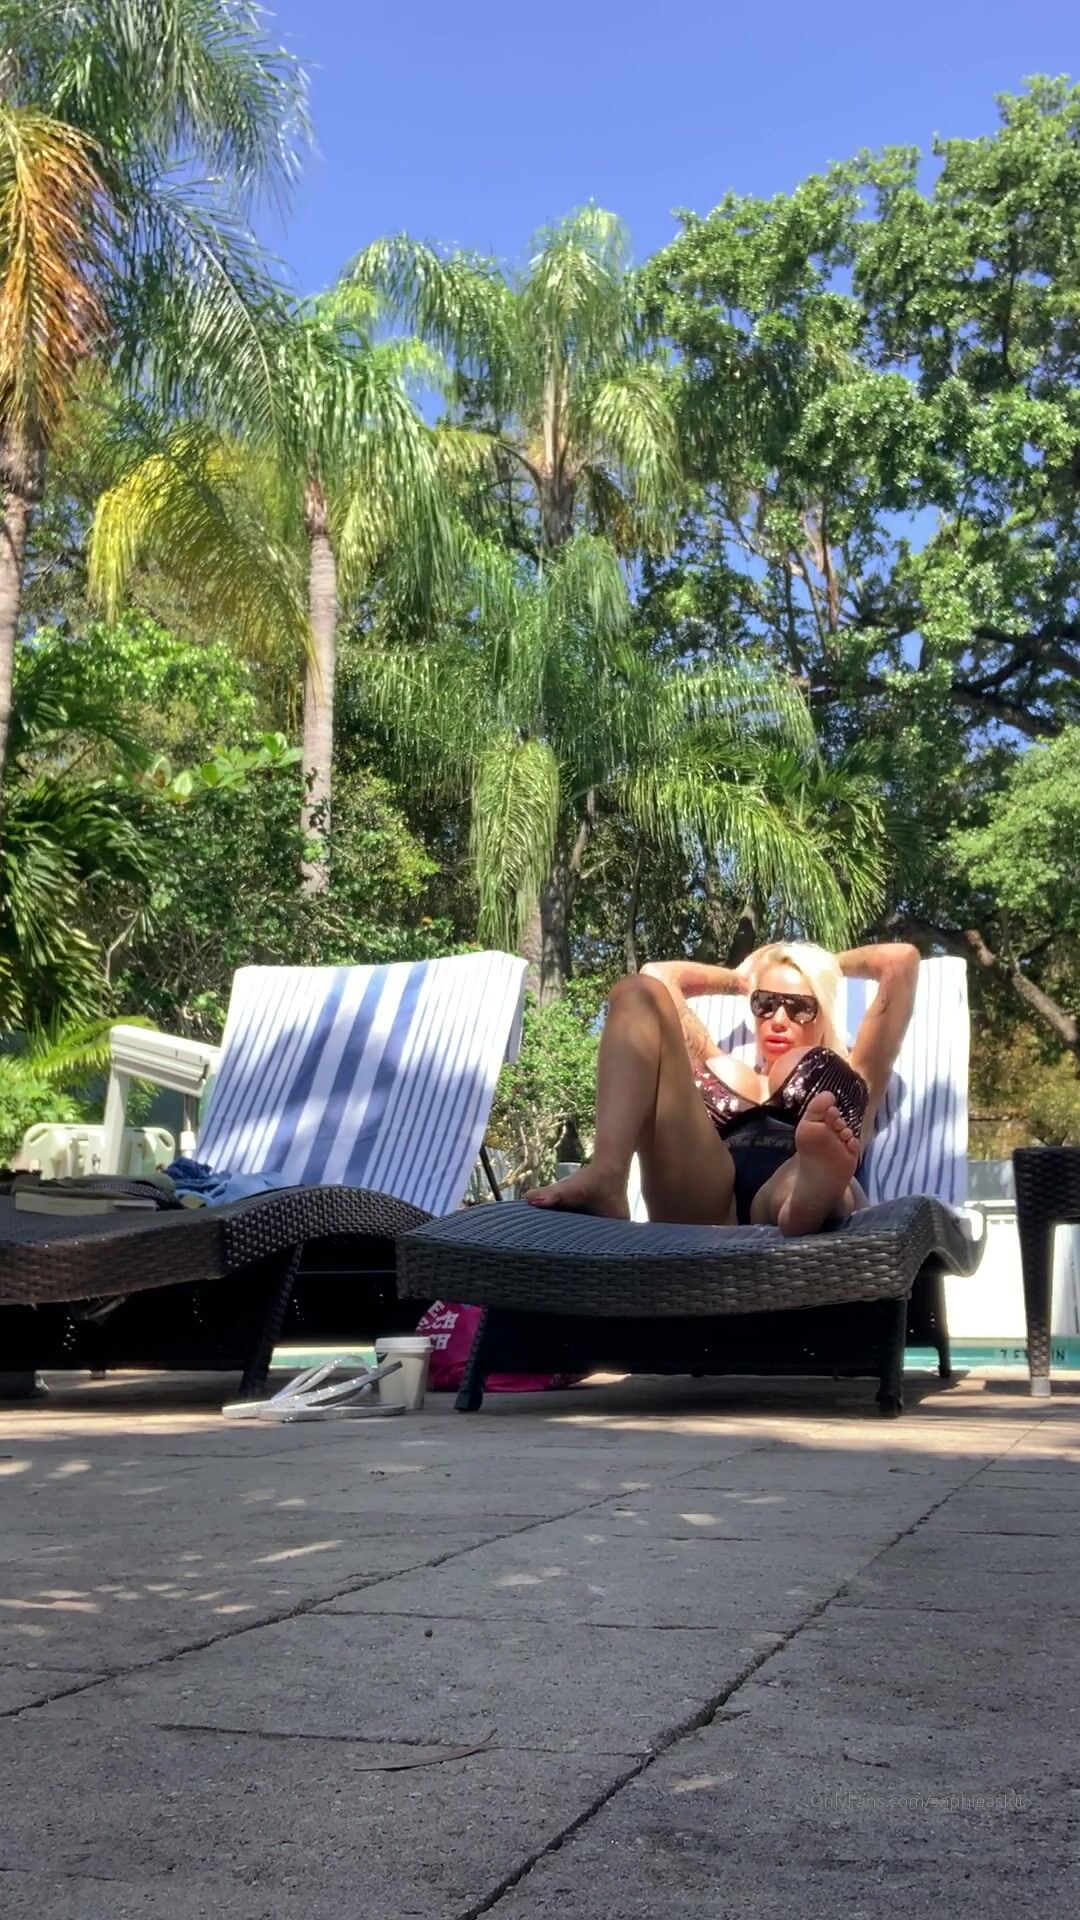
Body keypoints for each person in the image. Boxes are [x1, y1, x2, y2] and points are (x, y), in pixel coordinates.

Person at [526, 940, 921, 1236]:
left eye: (799, 1006)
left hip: (795, 1164)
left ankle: (808, 1197)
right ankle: (607, 1176)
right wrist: (744, 977)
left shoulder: (856, 1067)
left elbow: (900, 961)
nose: (778, 1018)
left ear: (823, 1012)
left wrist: (816, 963)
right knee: (636, 992)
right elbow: (658, 974)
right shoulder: (713, 1057)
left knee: (809, 1159)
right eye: (765, 1003)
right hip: (706, 1187)